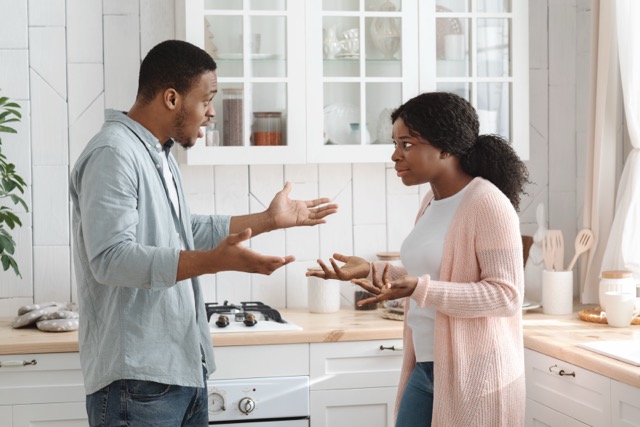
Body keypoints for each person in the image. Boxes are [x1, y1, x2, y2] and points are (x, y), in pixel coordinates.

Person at [69, 39, 337, 427]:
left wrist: (267, 219)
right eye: (207, 99)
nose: (211, 113)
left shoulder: (157, 152)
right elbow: (110, 259)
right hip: (137, 381)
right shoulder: (114, 153)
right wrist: (212, 262)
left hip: (181, 370)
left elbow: (184, 231)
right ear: (172, 98)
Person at [308, 92, 529, 426]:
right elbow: (431, 276)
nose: (396, 155)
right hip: (427, 369)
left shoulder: (487, 203)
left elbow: (506, 295)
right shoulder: (431, 201)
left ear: (445, 146)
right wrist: (373, 269)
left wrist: (418, 288)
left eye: (406, 144)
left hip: (475, 376)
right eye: (395, 143)